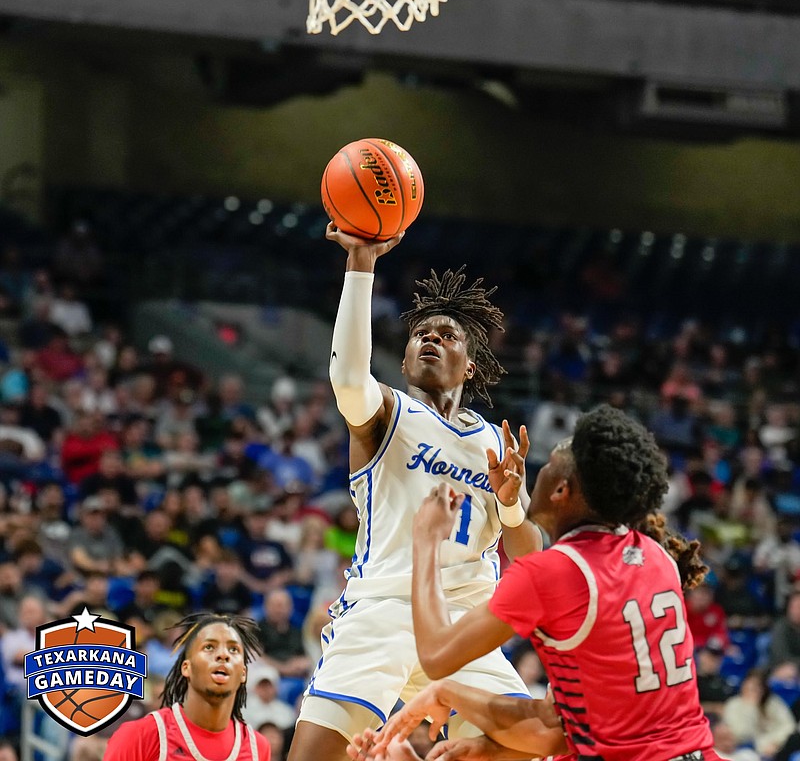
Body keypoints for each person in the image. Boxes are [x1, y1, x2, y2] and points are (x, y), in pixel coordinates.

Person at [287, 226, 541, 761]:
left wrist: (514, 502)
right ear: (403, 361)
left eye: (447, 335)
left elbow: (533, 558)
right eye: (421, 334)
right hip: (383, 608)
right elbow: (348, 376)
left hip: (464, 624)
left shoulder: (498, 445)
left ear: (470, 365)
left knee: (528, 744)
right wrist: (361, 264)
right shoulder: (386, 413)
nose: (431, 338)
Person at [361, 404, 721, 761]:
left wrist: (426, 542)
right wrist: (489, 745)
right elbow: (558, 729)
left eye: (547, 466)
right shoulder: (654, 555)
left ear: (561, 491)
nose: (539, 471)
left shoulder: (556, 572)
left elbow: (437, 655)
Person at [104, 612, 271, 761]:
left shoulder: (258, 748)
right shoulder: (140, 736)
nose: (223, 655)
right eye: (209, 647)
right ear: (187, 668)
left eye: (233, 649)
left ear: (243, 673)